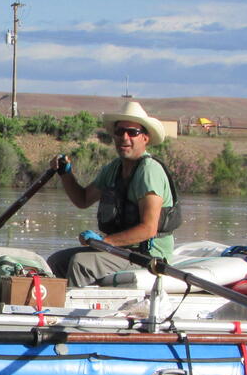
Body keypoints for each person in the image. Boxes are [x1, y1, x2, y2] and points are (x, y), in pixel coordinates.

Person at [47, 101, 178, 287]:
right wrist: (65, 174)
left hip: (147, 257)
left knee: (80, 264)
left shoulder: (149, 171)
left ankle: (72, 311)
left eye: (132, 132)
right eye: (119, 132)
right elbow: (83, 200)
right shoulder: (113, 169)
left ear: (145, 138)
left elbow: (149, 229)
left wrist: (104, 241)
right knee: (57, 261)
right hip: (118, 251)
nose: (124, 137)